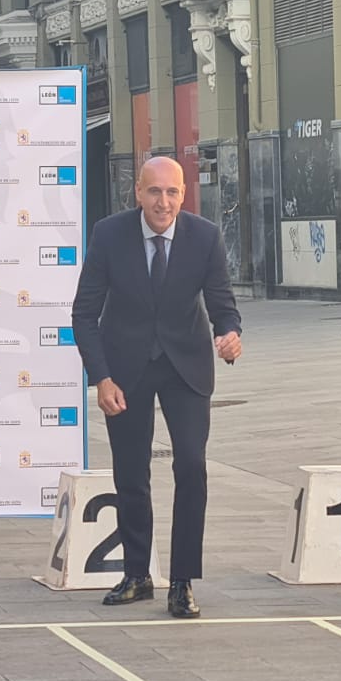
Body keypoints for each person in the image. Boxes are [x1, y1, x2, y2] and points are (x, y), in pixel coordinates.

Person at [71, 156, 242, 620]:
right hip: (125, 367)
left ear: (183, 195)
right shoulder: (109, 234)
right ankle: (136, 574)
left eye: (171, 193)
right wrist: (101, 378)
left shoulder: (204, 237)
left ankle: (183, 581)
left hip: (185, 364)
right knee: (130, 473)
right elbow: (84, 315)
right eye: (153, 192)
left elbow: (223, 305)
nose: (162, 202)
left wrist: (229, 335)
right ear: (138, 195)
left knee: (191, 464)